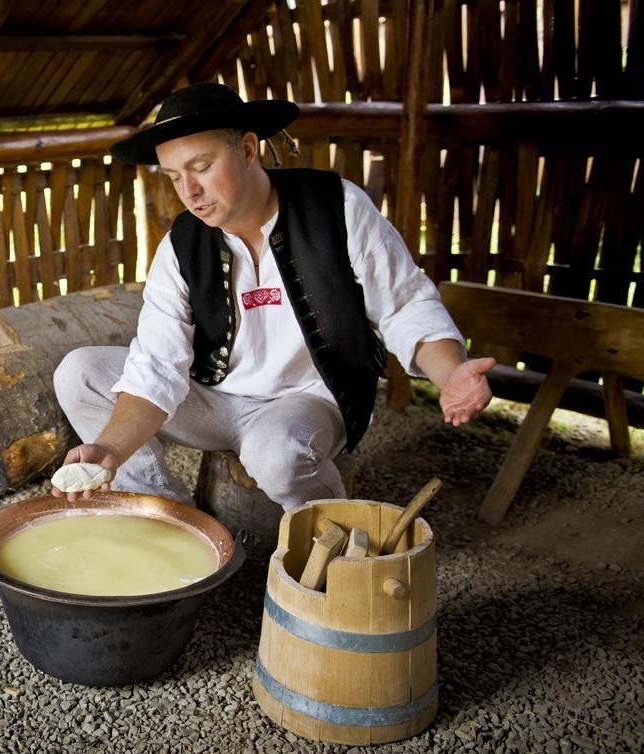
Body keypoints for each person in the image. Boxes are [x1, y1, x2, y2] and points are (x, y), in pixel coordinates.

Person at [51, 82, 495, 508]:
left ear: (248, 149)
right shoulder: (182, 245)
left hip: (307, 401)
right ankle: (161, 513)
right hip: (212, 401)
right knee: (80, 373)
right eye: (174, 177)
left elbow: (404, 304)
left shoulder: (336, 208)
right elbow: (157, 363)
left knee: (275, 454)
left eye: (201, 167)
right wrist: (110, 449)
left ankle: (337, 534)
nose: (190, 192)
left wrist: (450, 373)